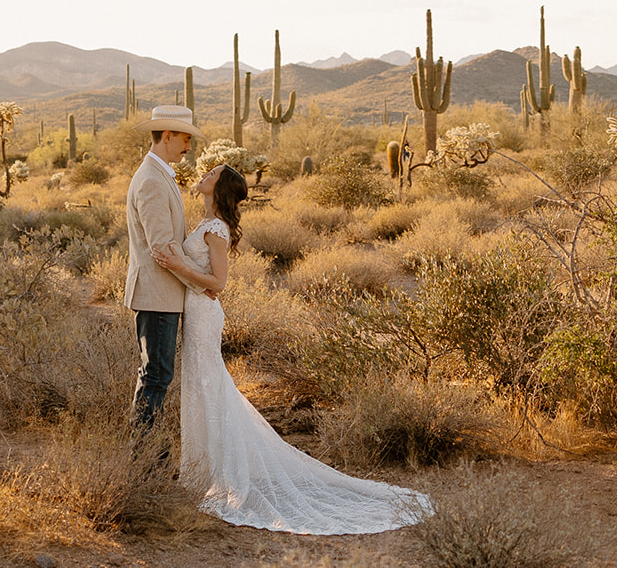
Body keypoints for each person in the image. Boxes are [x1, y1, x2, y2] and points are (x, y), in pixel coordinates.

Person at [154, 164, 433, 534]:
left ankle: (222, 474)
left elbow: (218, 283)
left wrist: (177, 264)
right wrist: (180, 264)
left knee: (209, 387)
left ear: (220, 188)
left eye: (213, 172)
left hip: (205, 314)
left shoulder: (217, 229)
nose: (205, 173)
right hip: (196, 310)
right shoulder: (206, 223)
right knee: (201, 388)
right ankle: (204, 470)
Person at [124, 105, 205, 430]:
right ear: (167, 136)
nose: (189, 146)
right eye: (186, 139)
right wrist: (202, 282)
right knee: (156, 376)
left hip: (162, 294)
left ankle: (149, 457)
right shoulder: (152, 181)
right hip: (157, 294)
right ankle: (142, 461)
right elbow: (163, 248)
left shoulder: (157, 175)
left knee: (156, 375)